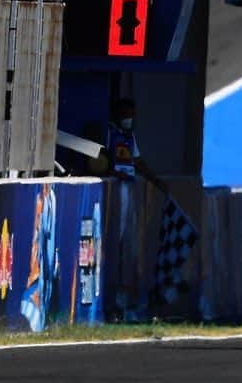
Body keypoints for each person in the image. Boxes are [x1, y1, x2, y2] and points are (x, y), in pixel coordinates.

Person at [102, 98, 166, 320]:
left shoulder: (130, 136)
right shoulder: (108, 133)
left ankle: (124, 299)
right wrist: (112, 172)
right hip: (114, 189)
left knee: (127, 244)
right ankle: (110, 299)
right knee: (113, 241)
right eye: (127, 113)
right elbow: (100, 160)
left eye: (132, 114)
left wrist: (155, 180)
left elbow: (138, 162)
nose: (130, 118)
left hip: (129, 188)